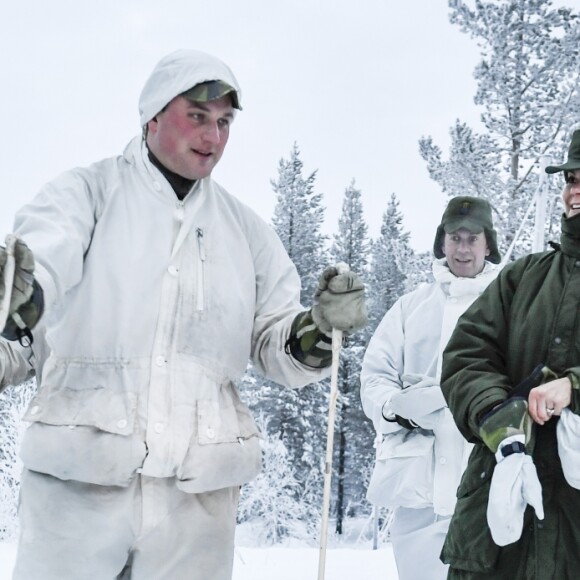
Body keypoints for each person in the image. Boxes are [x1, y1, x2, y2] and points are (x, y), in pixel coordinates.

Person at [0, 49, 367, 580]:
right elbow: (45, 251)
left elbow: (275, 340)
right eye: (197, 117)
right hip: (79, 486)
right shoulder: (88, 193)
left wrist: (319, 330)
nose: (213, 137)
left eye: (223, 122)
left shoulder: (245, 232)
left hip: (195, 503)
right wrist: (24, 289)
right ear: (152, 116)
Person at [439, 128, 580, 579]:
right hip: (498, 519)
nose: (576, 191)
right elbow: (467, 354)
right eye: (571, 179)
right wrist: (500, 421)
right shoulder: (524, 277)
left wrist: (573, 387)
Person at [360, 196, 501, 580]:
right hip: (418, 491)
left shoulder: (508, 306)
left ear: (488, 244)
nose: (463, 248)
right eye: (455, 237)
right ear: (442, 242)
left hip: (489, 488)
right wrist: (395, 408)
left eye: (473, 238)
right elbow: (374, 376)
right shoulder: (411, 308)